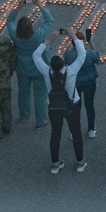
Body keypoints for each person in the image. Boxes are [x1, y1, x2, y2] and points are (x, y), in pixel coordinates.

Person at [33, 30, 87, 174]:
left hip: (53, 107)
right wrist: (74, 37)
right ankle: (80, 162)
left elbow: (36, 55)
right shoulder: (71, 71)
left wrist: (48, 41)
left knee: (55, 133)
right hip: (72, 106)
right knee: (76, 132)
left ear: (51, 65)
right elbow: (82, 54)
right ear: (64, 64)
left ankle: (55, 164)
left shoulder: (46, 71)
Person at [7, 0, 53, 128]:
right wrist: (40, 5)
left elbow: (9, 21)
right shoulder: (38, 34)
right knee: (39, 95)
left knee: (23, 91)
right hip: (38, 69)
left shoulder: (14, 35)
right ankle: (40, 120)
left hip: (22, 68)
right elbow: (49, 21)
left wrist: (18, 7)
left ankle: (24, 115)